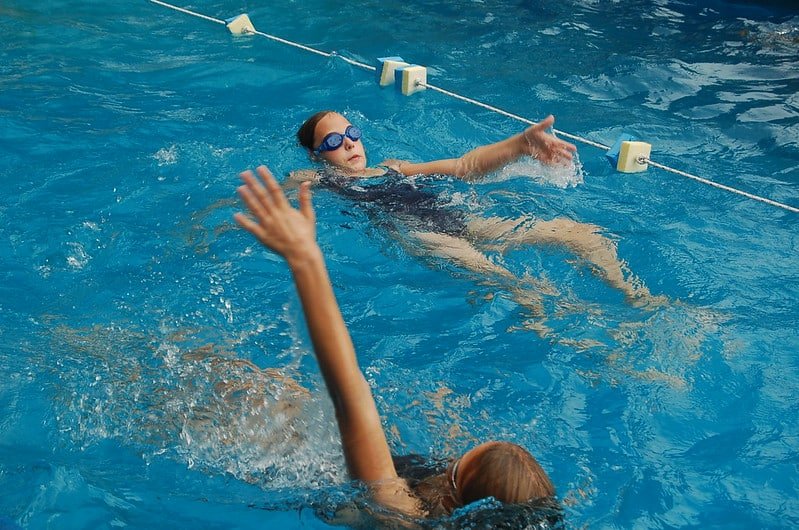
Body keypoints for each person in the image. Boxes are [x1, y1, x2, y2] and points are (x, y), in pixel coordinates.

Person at [234, 166, 557, 520]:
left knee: (244, 395)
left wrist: (304, 258)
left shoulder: (397, 511)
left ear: (456, 491)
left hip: (318, 484)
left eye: (457, 462)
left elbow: (349, 394)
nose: (453, 455)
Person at [290, 111, 658, 321]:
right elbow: (263, 199)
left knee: (580, 234)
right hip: (421, 237)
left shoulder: (393, 167)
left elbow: (464, 166)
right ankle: (589, 324)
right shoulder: (317, 179)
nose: (350, 143)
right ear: (315, 154)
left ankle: (637, 299)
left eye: (351, 133)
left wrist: (519, 145)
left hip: (460, 222)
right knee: (511, 282)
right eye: (334, 141)